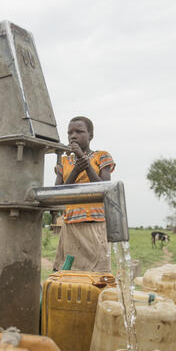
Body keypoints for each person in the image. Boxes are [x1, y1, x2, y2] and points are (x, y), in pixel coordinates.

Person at [53, 116, 115, 272]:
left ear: (91, 136)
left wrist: (85, 162)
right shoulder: (64, 161)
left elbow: (103, 189)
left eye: (79, 131)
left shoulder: (102, 156)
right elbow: (58, 194)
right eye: (70, 132)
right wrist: (76, 169)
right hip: (71, 226)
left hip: (94, 224)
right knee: (70, 274)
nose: (73, 136)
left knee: (97, 273)